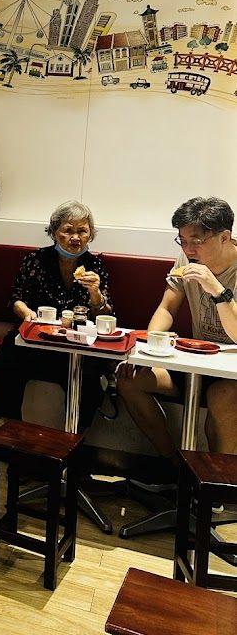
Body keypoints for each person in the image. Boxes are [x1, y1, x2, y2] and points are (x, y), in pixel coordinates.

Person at [117, 196, 237, 461]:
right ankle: (173, 466)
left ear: (224, 237)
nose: (188, 249)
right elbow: (166, 309)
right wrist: (150, 345)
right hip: (196, 359)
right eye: (182, 240)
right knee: (129, 380)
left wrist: (217, 290)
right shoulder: (186, 259)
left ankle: (218, 482)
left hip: (231, 371)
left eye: (196, 241)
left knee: (222, 395)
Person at [0, 200, 114, 429]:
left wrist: (95, 292)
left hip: (78, 344)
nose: (75, 237)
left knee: (89, 382)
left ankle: (70, 442)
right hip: (37, 338)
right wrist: (27, 314)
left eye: (82, 231)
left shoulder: (95, 265)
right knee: (4, 367)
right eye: (68, 230)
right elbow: (17, 298)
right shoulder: (35, 260)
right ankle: (14, 434)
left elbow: (104, 311)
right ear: (54, 232)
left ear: (90, 235)